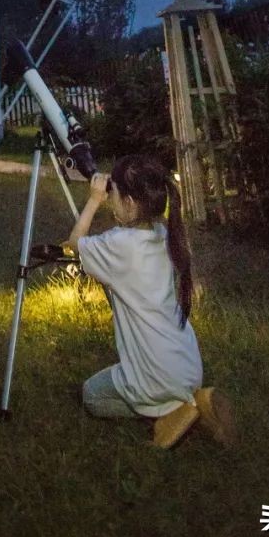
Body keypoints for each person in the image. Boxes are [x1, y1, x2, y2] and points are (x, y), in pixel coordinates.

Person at [67, 153, 233, 449]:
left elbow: (73, 244)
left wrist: (93, 200)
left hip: (155, 377)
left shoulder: (119, 245)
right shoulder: (165, 235)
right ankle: (193, 399)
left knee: (91, 395)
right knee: (148, 379)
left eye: (113, 193)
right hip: (188, 368)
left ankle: (171, 413)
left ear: (129, 202)